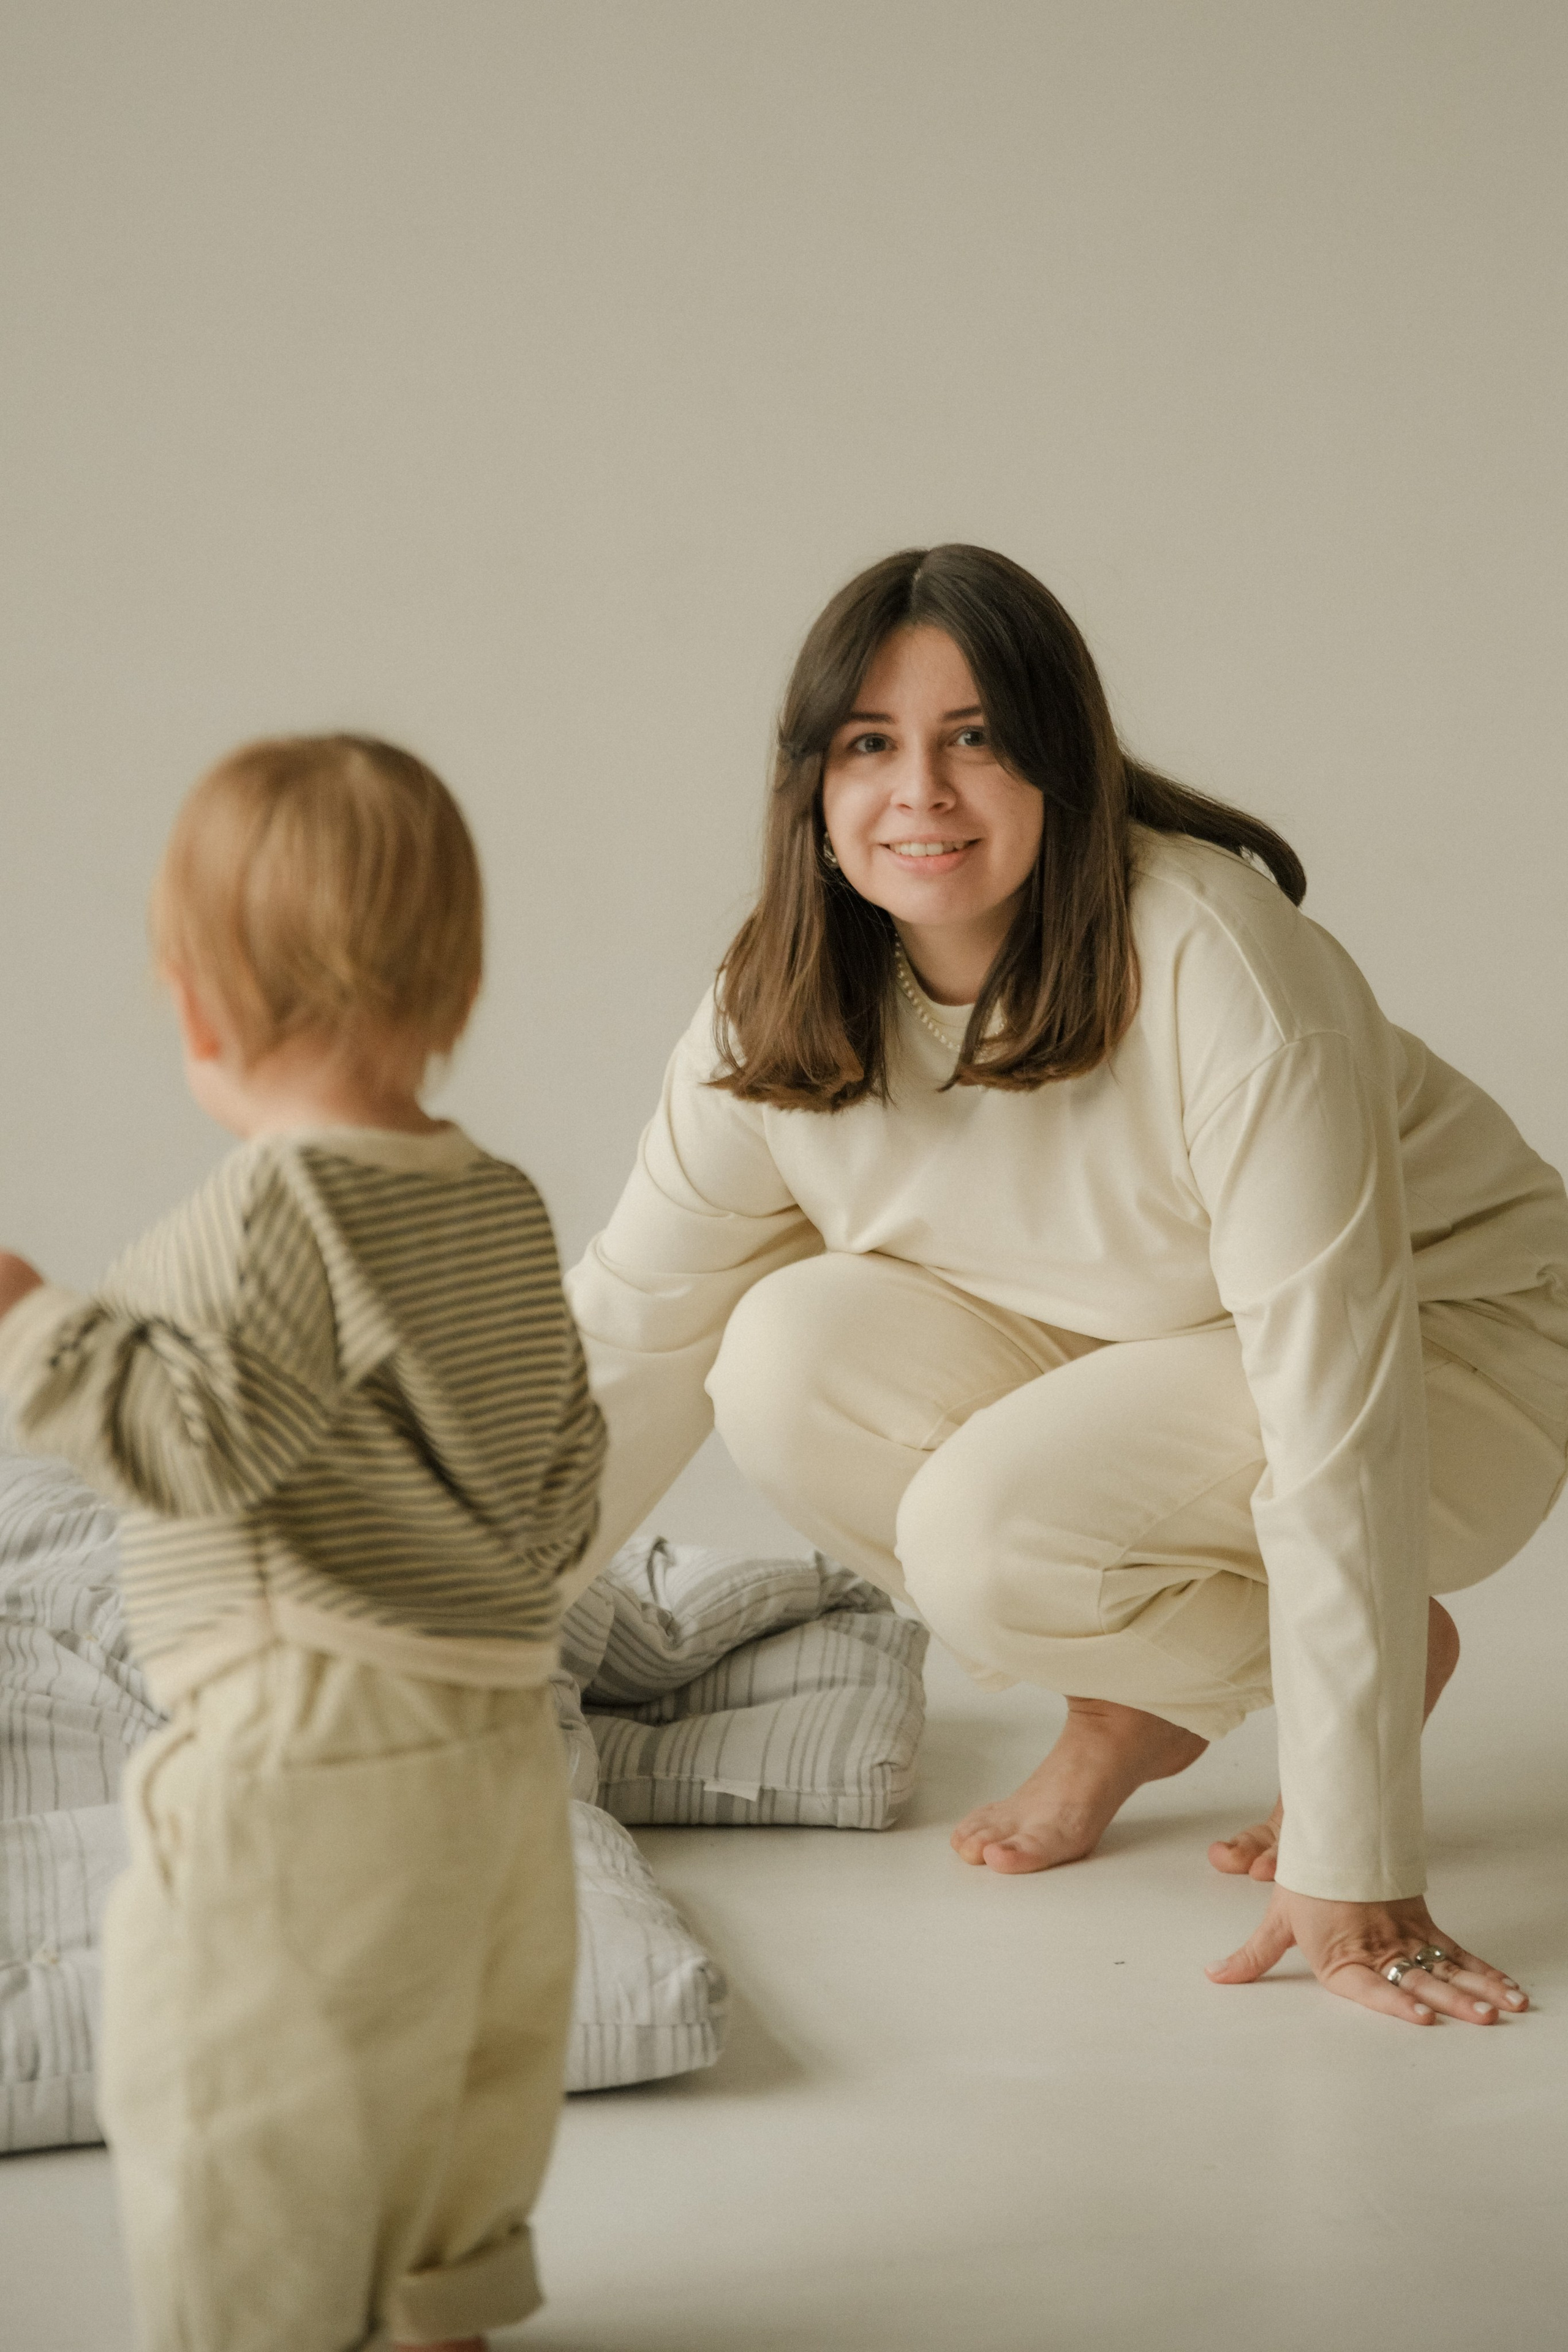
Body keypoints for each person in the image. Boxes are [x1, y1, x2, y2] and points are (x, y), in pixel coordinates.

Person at [563, 544, 1568, 2029]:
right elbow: (624, 1341)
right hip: (1142, 1344)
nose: (919, 792)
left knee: (987, 1529)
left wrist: (1353, 1851)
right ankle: (1142, 1699)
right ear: (810, 785)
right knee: (777, 1352)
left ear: (1061, 760)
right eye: (869, 745)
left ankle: (1247, 1697)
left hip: (1447, 1353)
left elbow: (1332, 1403)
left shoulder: (1217, 966)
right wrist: (422, 1648)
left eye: (973, 738)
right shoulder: (775, 1002)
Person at [0, 736, 605, 2352]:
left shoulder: (276, 1203)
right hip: (494, 1731)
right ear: (457, 984)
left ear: (197, 1007)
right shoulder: (500, 1202)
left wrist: (33, 1323)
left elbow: (204, 1439)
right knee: (456, 2045)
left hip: (304, 1722)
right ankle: (438, 2304)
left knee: (239, 2078)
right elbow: (565, 1471)